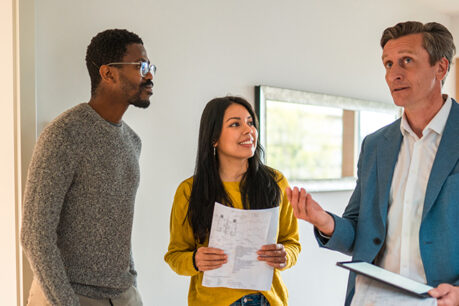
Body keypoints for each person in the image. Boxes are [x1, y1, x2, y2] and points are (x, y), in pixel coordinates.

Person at [287, 21, 459, 306]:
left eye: (407, 61)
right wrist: (324, 221)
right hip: (370, 298)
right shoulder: (375, 145)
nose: (394, 74)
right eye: (388, 64)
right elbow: (358, 234)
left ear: (440, 68)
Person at [21, 28, 156, 305]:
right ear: (108, 73)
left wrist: (131, 281)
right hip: (68, 296)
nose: (150, 75)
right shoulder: (64, 134)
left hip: (123, 295)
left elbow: (117, 224)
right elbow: (35, 233)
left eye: (150, 66)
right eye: (141, 66)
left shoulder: (133, 142)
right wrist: (66, 302)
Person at [164, 96, 301, 306]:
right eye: (235, 124)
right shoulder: (189, 191)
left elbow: (292, 242)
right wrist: (195, 260)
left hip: (268, 300)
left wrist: (285, 256)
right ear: (214, 138)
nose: (248, 130)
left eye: (250, 122)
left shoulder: (276, 182)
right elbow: (175, 256)